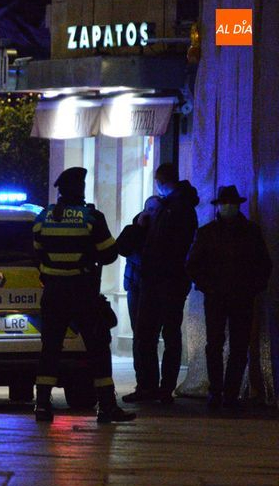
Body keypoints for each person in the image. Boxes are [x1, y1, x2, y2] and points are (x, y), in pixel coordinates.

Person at [32, 167, 135, 423]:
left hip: (54, 293)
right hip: (82, 292)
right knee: (98, 348)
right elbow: (110, 254)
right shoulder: (91, 217)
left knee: (51, 349)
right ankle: (107, 406)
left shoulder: (43, 217)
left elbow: (37, 254)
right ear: (80, 189)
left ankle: (42, 406)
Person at [186, 186, 272, 410]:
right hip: (219, 296)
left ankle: (229, 393)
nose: (228, 207)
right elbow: (193, 264)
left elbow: (263, 264)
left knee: (238, 345)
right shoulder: (209, 232)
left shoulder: (250, 232)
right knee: (216, 344)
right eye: (225, 203)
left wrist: (253, 287)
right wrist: (208, 286)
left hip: (240, 296)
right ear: (219, 206)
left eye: (231, 203)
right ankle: (217, 391)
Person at [122, 163, 199, 405]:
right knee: (154, 336)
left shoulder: (174, 208)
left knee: (157, 336)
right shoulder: (175, 208)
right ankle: (155, 388)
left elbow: (169, 247)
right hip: (160, 282)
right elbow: (125, 245)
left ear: (160, 180)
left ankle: (156, 388)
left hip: (162, 281)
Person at [116, 196, 162, 394]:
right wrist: (139, 228)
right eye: (149, 209)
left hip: (155, 288)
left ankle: (151, 384)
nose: (152, 214)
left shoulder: (164, 231)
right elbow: (121, 248)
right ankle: (143, 383)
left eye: (155, 210)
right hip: (136, 287)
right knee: (140, 337)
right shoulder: (134, 229)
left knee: (148, 337)